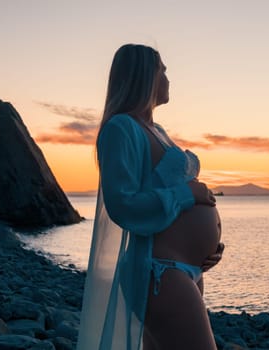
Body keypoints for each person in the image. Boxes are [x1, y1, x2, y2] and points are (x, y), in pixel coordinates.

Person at [77, 44, 224, 350]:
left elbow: (164, 198)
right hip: (157, 271)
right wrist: (187, 194)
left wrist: (208, 249)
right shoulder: (121, 128)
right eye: (163, 70)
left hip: (183, 271)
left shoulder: (157, 130)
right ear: (145, 75)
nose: (168, 78)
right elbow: (123, 205)